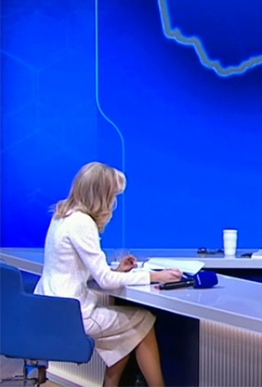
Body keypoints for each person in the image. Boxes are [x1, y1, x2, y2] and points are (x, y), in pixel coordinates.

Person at [34, 162, 182, 387]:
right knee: (143, 321)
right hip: (72, 315)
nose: (113, 202)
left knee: (126, 331)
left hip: (48, 308)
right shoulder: (82, 222)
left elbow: (73, 270)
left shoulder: (62, 215)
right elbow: (106, 281)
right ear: (102, 195)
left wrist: (116, 271)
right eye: (112, 195)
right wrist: (155, 277)